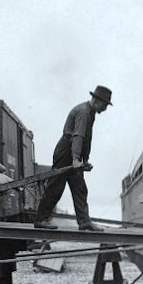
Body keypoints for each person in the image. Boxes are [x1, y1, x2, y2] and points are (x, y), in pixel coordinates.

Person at [33, 86, 112, 231]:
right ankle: (41, 219)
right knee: (56, 186)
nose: (105, 108)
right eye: (105, 104)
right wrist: (76, 159)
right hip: (66, 151)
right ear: (96, 100)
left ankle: (84, 222)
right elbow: (78, 136)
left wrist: (85, 159)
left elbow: (87, 138)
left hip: (74, 152)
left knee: (80, 188)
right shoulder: (83, 112)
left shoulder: (91, 113)